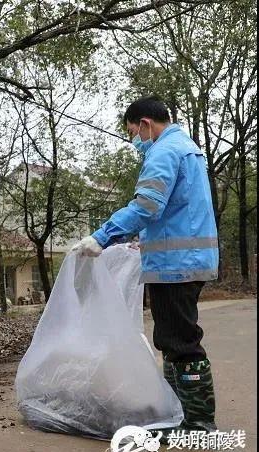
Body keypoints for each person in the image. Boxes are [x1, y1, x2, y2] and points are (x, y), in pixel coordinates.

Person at [72, 96, 218, 433]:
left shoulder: (164, 152)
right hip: (185, 260)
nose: (133, 140)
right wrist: (143, 241)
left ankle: (198, 425)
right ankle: (178, 413)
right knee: (170, 338)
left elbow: (147, 206)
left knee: (181, 343)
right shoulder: (187, 147)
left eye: (132, 132)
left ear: (145, 125)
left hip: (176, 265)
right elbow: (176, 213)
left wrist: (102, 236)